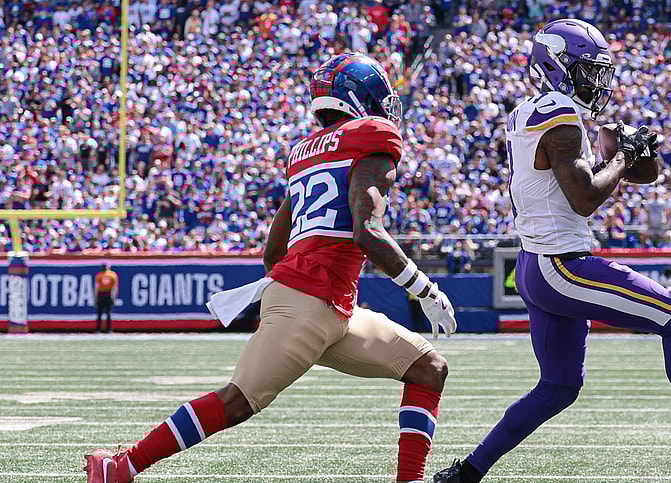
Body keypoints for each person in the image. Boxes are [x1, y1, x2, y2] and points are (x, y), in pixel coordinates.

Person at [85, 53, 457, 483]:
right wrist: (425, 289)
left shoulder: (305, 152)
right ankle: (122, 466)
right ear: (362, 97)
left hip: (329, 307)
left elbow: (273, 249)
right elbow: (367, 233)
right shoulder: (373, 135)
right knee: (237, 401)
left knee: (428, 368)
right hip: (310, 304)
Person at [433, 19, 671, 483]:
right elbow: (585, 196)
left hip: (536, 263)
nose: (597, 81)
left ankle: (468, 472)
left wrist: (625, 155)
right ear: (557, 67)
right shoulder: (561, 115)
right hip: (561, 266)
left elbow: (640, 174)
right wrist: (623, 157)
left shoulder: (531, 110)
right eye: (588, 70)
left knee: (560, 385)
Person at [95, 264, 118, 333]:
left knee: (100, 313)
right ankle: (109, 329)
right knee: (108, 313)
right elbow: (115, 288)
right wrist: (115, 297)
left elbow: (96, 288)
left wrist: (95, 298)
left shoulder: (99, 275)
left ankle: (98, 329)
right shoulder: (112, 275)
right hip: (109, 294)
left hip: (101, 294)